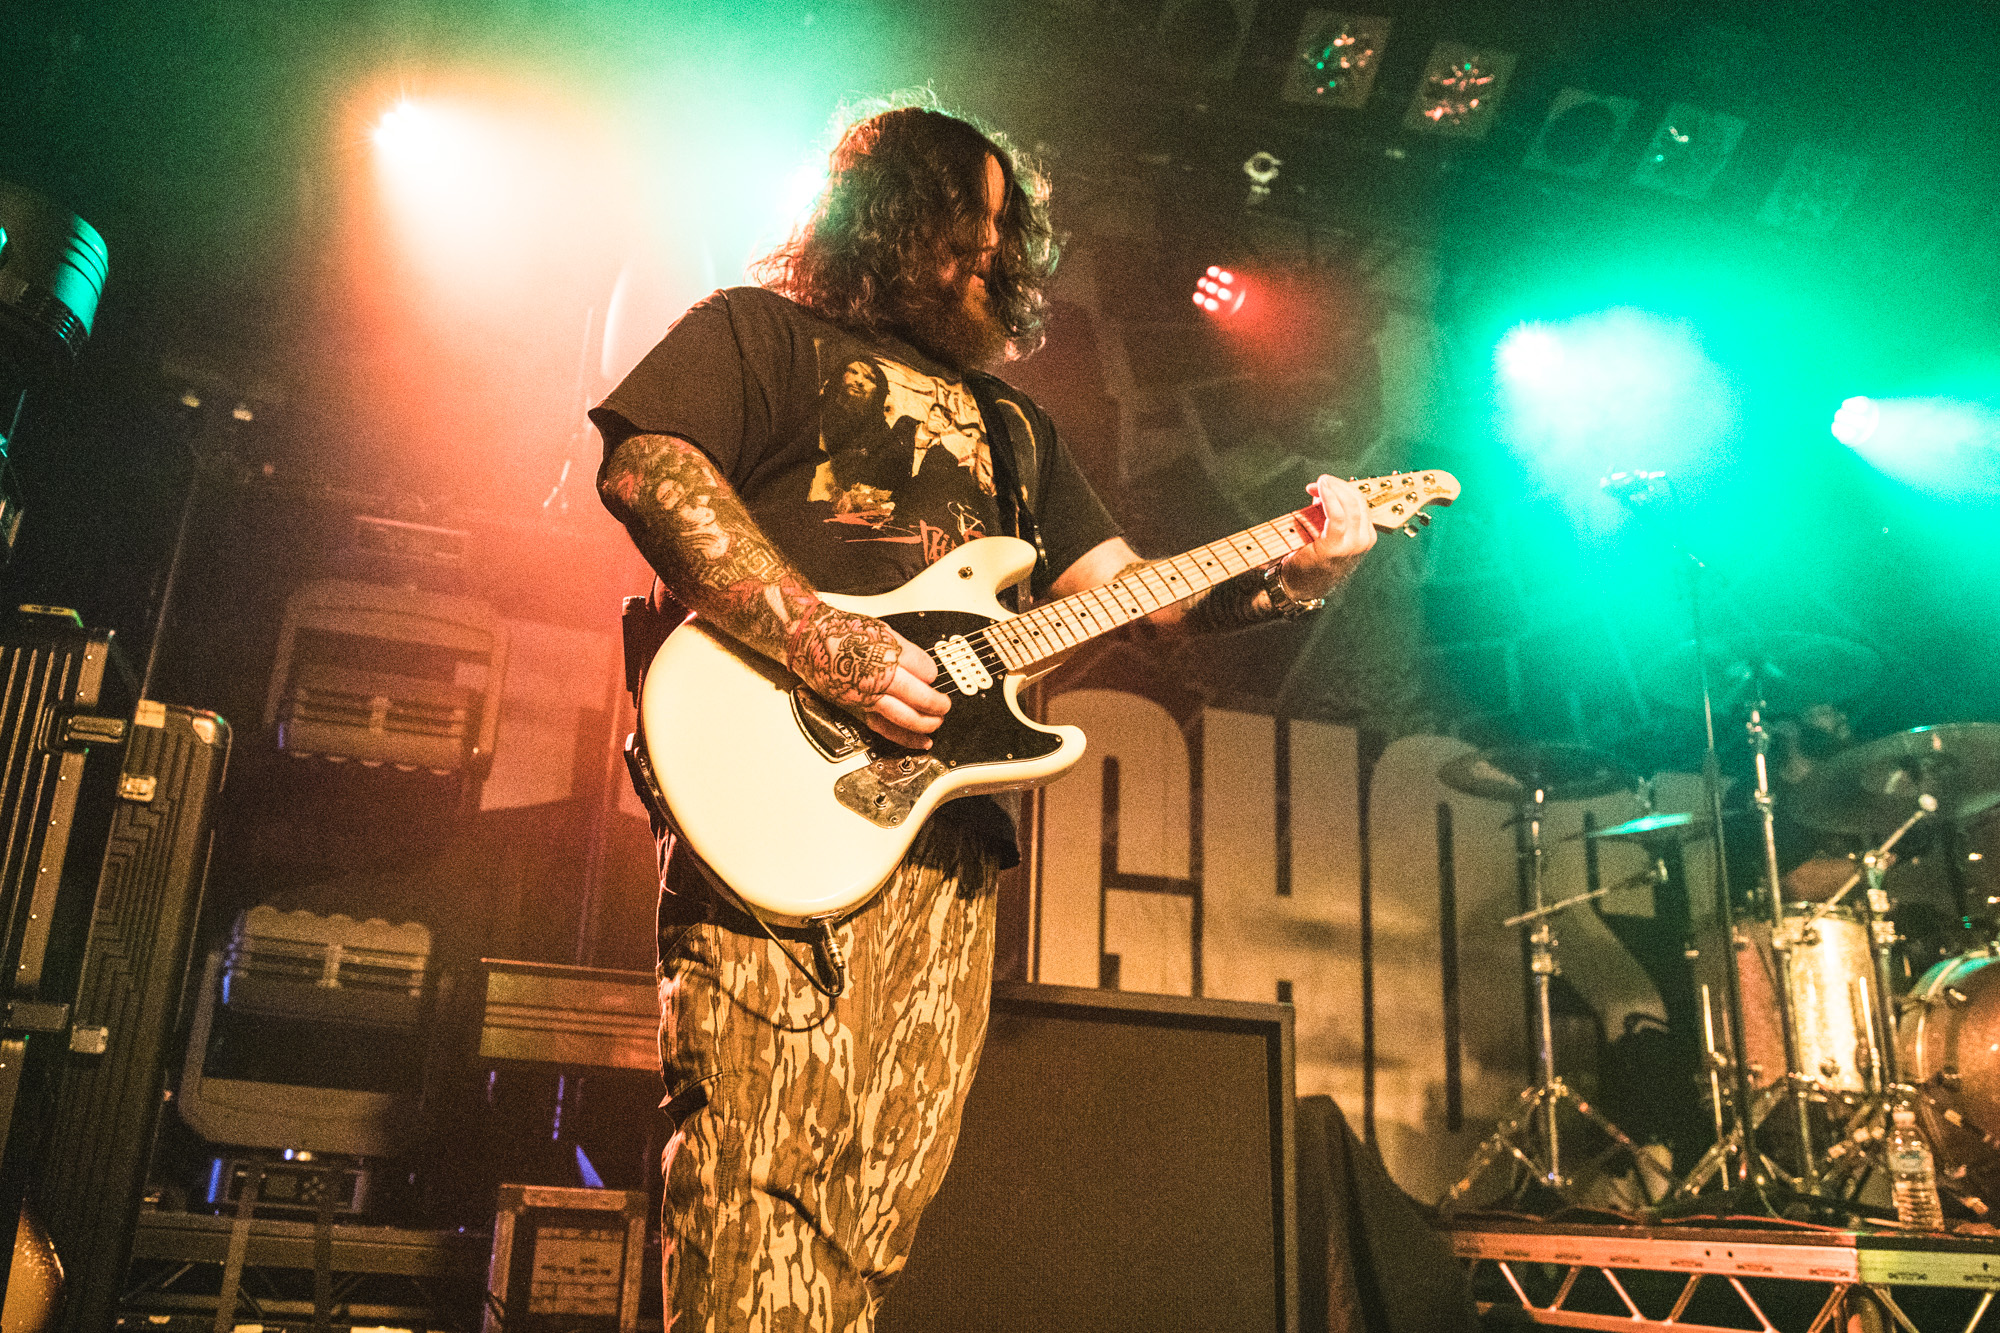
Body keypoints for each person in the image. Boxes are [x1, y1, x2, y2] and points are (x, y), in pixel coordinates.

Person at [592, 100, 1379, 1332]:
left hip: (944, 836)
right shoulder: (758, 333)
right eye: (970, 221)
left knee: (877, 1203)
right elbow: (652, 469)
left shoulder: (1016, 430)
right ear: (890, 215)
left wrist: (1291, 575)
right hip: (772, 788)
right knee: (756, 1167)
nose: (991, 253)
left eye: (1004, 232)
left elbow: (1140, 601)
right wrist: (834, 646)